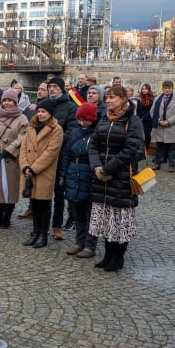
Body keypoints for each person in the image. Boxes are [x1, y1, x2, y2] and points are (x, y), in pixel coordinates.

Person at [88, 85, 145, 272]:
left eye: (112, 97)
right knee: (105, 220)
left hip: (120, 177)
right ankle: (107, 255)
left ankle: (118, 257)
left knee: (120, 221)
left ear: (123, 99)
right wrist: (97, 167)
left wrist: (107, 169)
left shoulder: (133, 121)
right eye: (107, 98)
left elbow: (130, 150)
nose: (108, 100)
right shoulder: (104, 118)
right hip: (101, 177)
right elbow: (93, 144)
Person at [19, 98, 63, 248]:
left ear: (50, 113)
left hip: (43, 172)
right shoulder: (32, 127)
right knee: (34, 204)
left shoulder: (56, 130)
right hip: (29, 172)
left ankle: (43, 235)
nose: (40, 114)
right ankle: (35, 232)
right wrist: (25, 166)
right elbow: (23, 149)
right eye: (39, 111)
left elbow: (51, 153)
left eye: (44, 111)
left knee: (44, 204)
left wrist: (33, 168)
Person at [61, 103, 99, 259]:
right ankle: (79, 242)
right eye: (80, 120)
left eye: (85, 120)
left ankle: (90, 245)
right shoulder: (75, 133)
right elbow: (66, 155)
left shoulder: (96, 134)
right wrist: (63, 175)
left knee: (89, 214)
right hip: (73, 173)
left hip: (88, 174)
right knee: (76, 212)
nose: (82, 123)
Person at [0, 88, 28, 230]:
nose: (7, 103)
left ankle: (7, 219)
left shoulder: (22, 118)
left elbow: (23, 136)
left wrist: (9, 150)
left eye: (10, 100)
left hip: (11, 158)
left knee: (10, 190)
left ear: (15, 102)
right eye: (5, 100)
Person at [46, 77, 78, 241]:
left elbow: (71, 131)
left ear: (61, 89)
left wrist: (52, 142)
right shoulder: (44, 104)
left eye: (55, 87)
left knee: (59, 194)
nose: (52, 89)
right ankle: (41, 226)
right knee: (42, 194)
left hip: (60, 155)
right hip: (43, 157)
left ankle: (57, 226)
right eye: (50, 86)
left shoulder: (71, 107)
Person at [149, 80, 175, 171]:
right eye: (165, 88)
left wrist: (168, 121)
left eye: (169, 88)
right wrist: (159, 120)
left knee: (171, 147)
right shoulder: (157, 98)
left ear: (172, 88)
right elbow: (152, 112)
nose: (167, 90)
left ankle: (171, 165)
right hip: (159, 126)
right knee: (159, 146)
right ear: (163, 89)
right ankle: (157, 163)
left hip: (171, 126)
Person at [136, 83, 155, 151]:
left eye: (145, 89)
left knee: (147, 138)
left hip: (148, 121)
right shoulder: (140, 99)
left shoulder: (152, 99)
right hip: (140, 120)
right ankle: (140, 151)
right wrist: (138, 119)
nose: (144, 90)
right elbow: (138, 110)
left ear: (149, 90)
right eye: (143, 89)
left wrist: (143, 118)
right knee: (140, 136)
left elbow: (151, 111)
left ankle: (146, 150)